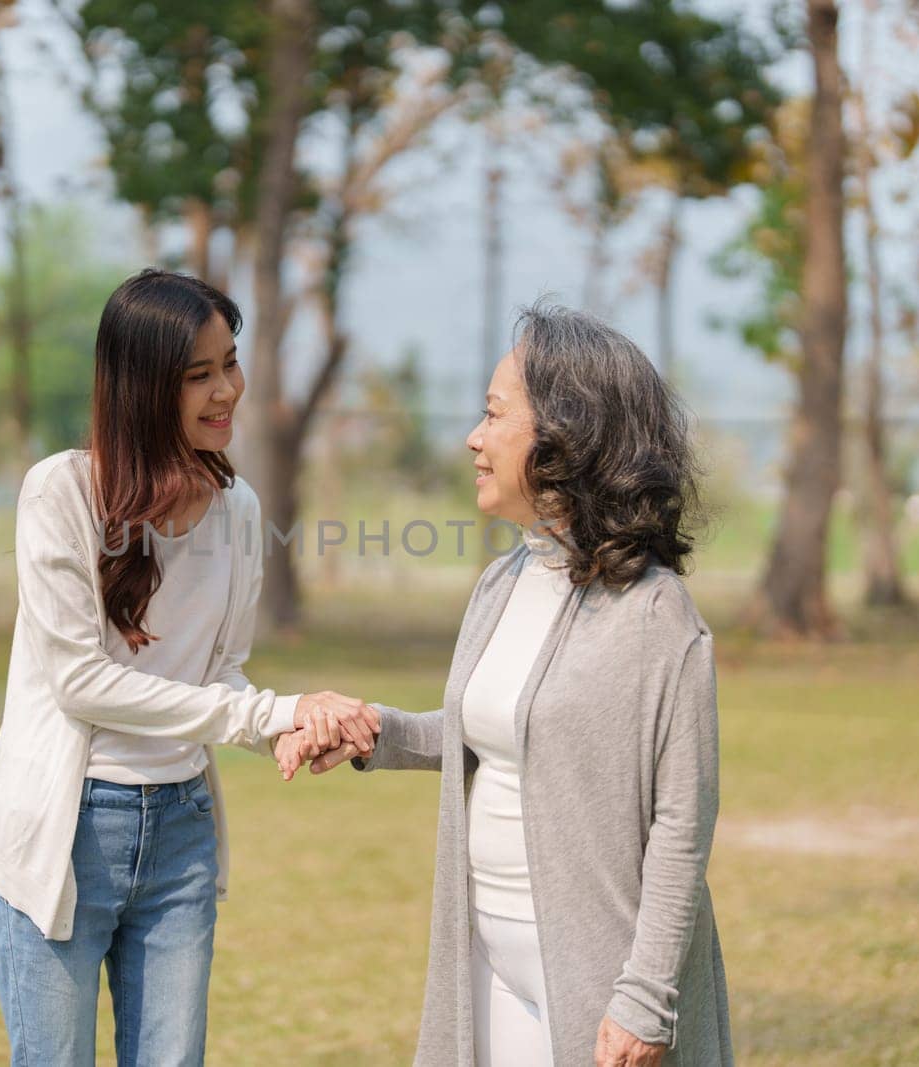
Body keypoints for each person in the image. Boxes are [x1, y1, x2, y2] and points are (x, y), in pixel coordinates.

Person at [283, 304, 731, 1067]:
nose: (473, 438)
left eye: (494, 415)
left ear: (566, 435)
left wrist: (646, 998)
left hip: (601, 989)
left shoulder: (655, 611)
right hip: (489, 964)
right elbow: (489, 731)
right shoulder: (504, 579)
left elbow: (683, 820)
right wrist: (376, 731)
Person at [0, 269, 378, 1066]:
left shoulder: (240, 511)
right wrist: (269, 713)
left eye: (231, 361)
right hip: (68, 831)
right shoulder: (60, 492)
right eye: (200, 375)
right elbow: (81, 682)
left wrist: (288, 728)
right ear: (142, 387)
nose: (228, 389)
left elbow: (219, 674)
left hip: (179, 833)